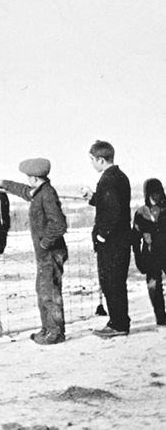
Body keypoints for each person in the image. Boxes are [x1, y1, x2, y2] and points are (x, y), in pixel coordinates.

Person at [0, 158, 68, 345]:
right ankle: (48, 328)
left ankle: (55, 332)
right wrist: (3, 183)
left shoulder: (47, 195)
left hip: (50, 252)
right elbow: (24, 191)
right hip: (46, 253)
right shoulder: (41, 191)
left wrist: (44, 244)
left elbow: (59, 224)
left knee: (49, 292)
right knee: (43, 290)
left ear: (33, 178)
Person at [81, 140, 132, 337]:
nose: (92, 164)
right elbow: (110, 203)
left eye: (92, 160)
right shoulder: (119, 176)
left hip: (112, 243)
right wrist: (93, 197)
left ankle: (118, 325)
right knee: (116, 281)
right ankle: (118, 321)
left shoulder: (108, 179)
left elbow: (112, 212)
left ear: (101, 160)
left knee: (111, 282)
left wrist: (102, 236)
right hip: (120, 241)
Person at [131, 178, 166, 326]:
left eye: (158, 193)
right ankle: (161, 318)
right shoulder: (141, 213)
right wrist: (138, 258)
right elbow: (135, 238)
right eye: (152, 193)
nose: (155, 196)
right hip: (150, 255)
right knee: (153, 287)